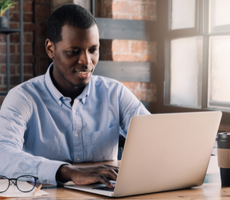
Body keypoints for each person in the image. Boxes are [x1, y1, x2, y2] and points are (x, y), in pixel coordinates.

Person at [0, 4, 150, 188]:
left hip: (106, 194)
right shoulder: (23, 98)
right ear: (50, 49)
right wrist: (67, 172)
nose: (86, 61)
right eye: (73, 52)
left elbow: (155, 139)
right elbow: (3, 155)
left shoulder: (115, 93)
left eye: (93, 50)